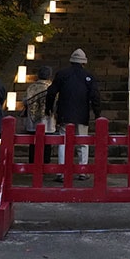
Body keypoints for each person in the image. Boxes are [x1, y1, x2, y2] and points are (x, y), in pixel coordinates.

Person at [45, 48, 101, 179]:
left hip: (65, 112)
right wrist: (97, 113)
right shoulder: (88, 76)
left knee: (63, 142)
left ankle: (62, 171)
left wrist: (49, 108)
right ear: (84, 62)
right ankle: (82, 170)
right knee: (83, 141)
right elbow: (95, 96)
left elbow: (51, 92)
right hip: (82, 113)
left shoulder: (62, 74)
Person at [22, 65, 54, 163]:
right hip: (47, 121)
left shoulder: (31, 87)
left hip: (33, 121)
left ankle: (32, 162)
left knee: (33, 143)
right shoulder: (51, 87)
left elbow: (25, 101)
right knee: (47, 144)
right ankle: (45, 163)